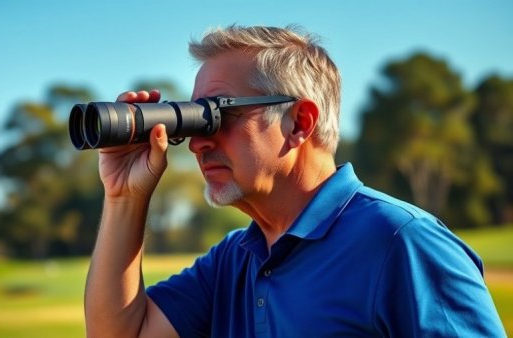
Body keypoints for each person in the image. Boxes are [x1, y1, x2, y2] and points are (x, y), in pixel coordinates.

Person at [84, 25, 506, 337]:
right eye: (193, 121)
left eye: (217, 114)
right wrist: (124, 197)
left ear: (299, 122)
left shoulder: (401, 242)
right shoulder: (235, 260)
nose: (197, 143)